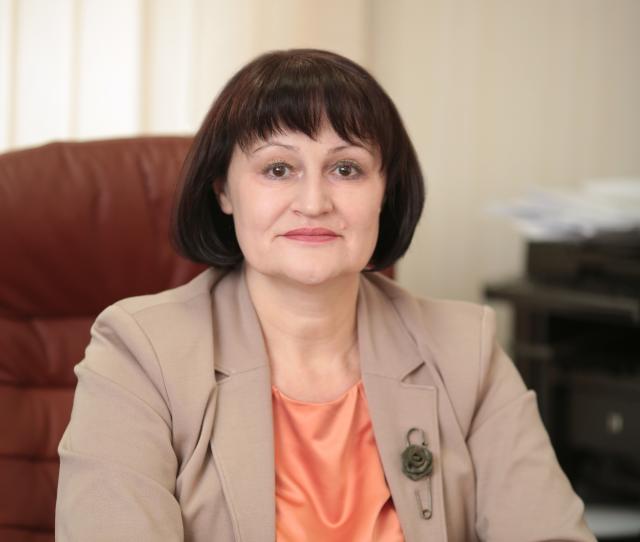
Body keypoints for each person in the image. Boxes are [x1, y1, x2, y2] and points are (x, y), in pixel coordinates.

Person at [55, 49, 595, 541]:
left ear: (385, 191)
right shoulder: (140, 353)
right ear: (223, 190)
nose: (313, 202)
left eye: (345, 168)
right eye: (278, 169)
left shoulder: (464, 350)